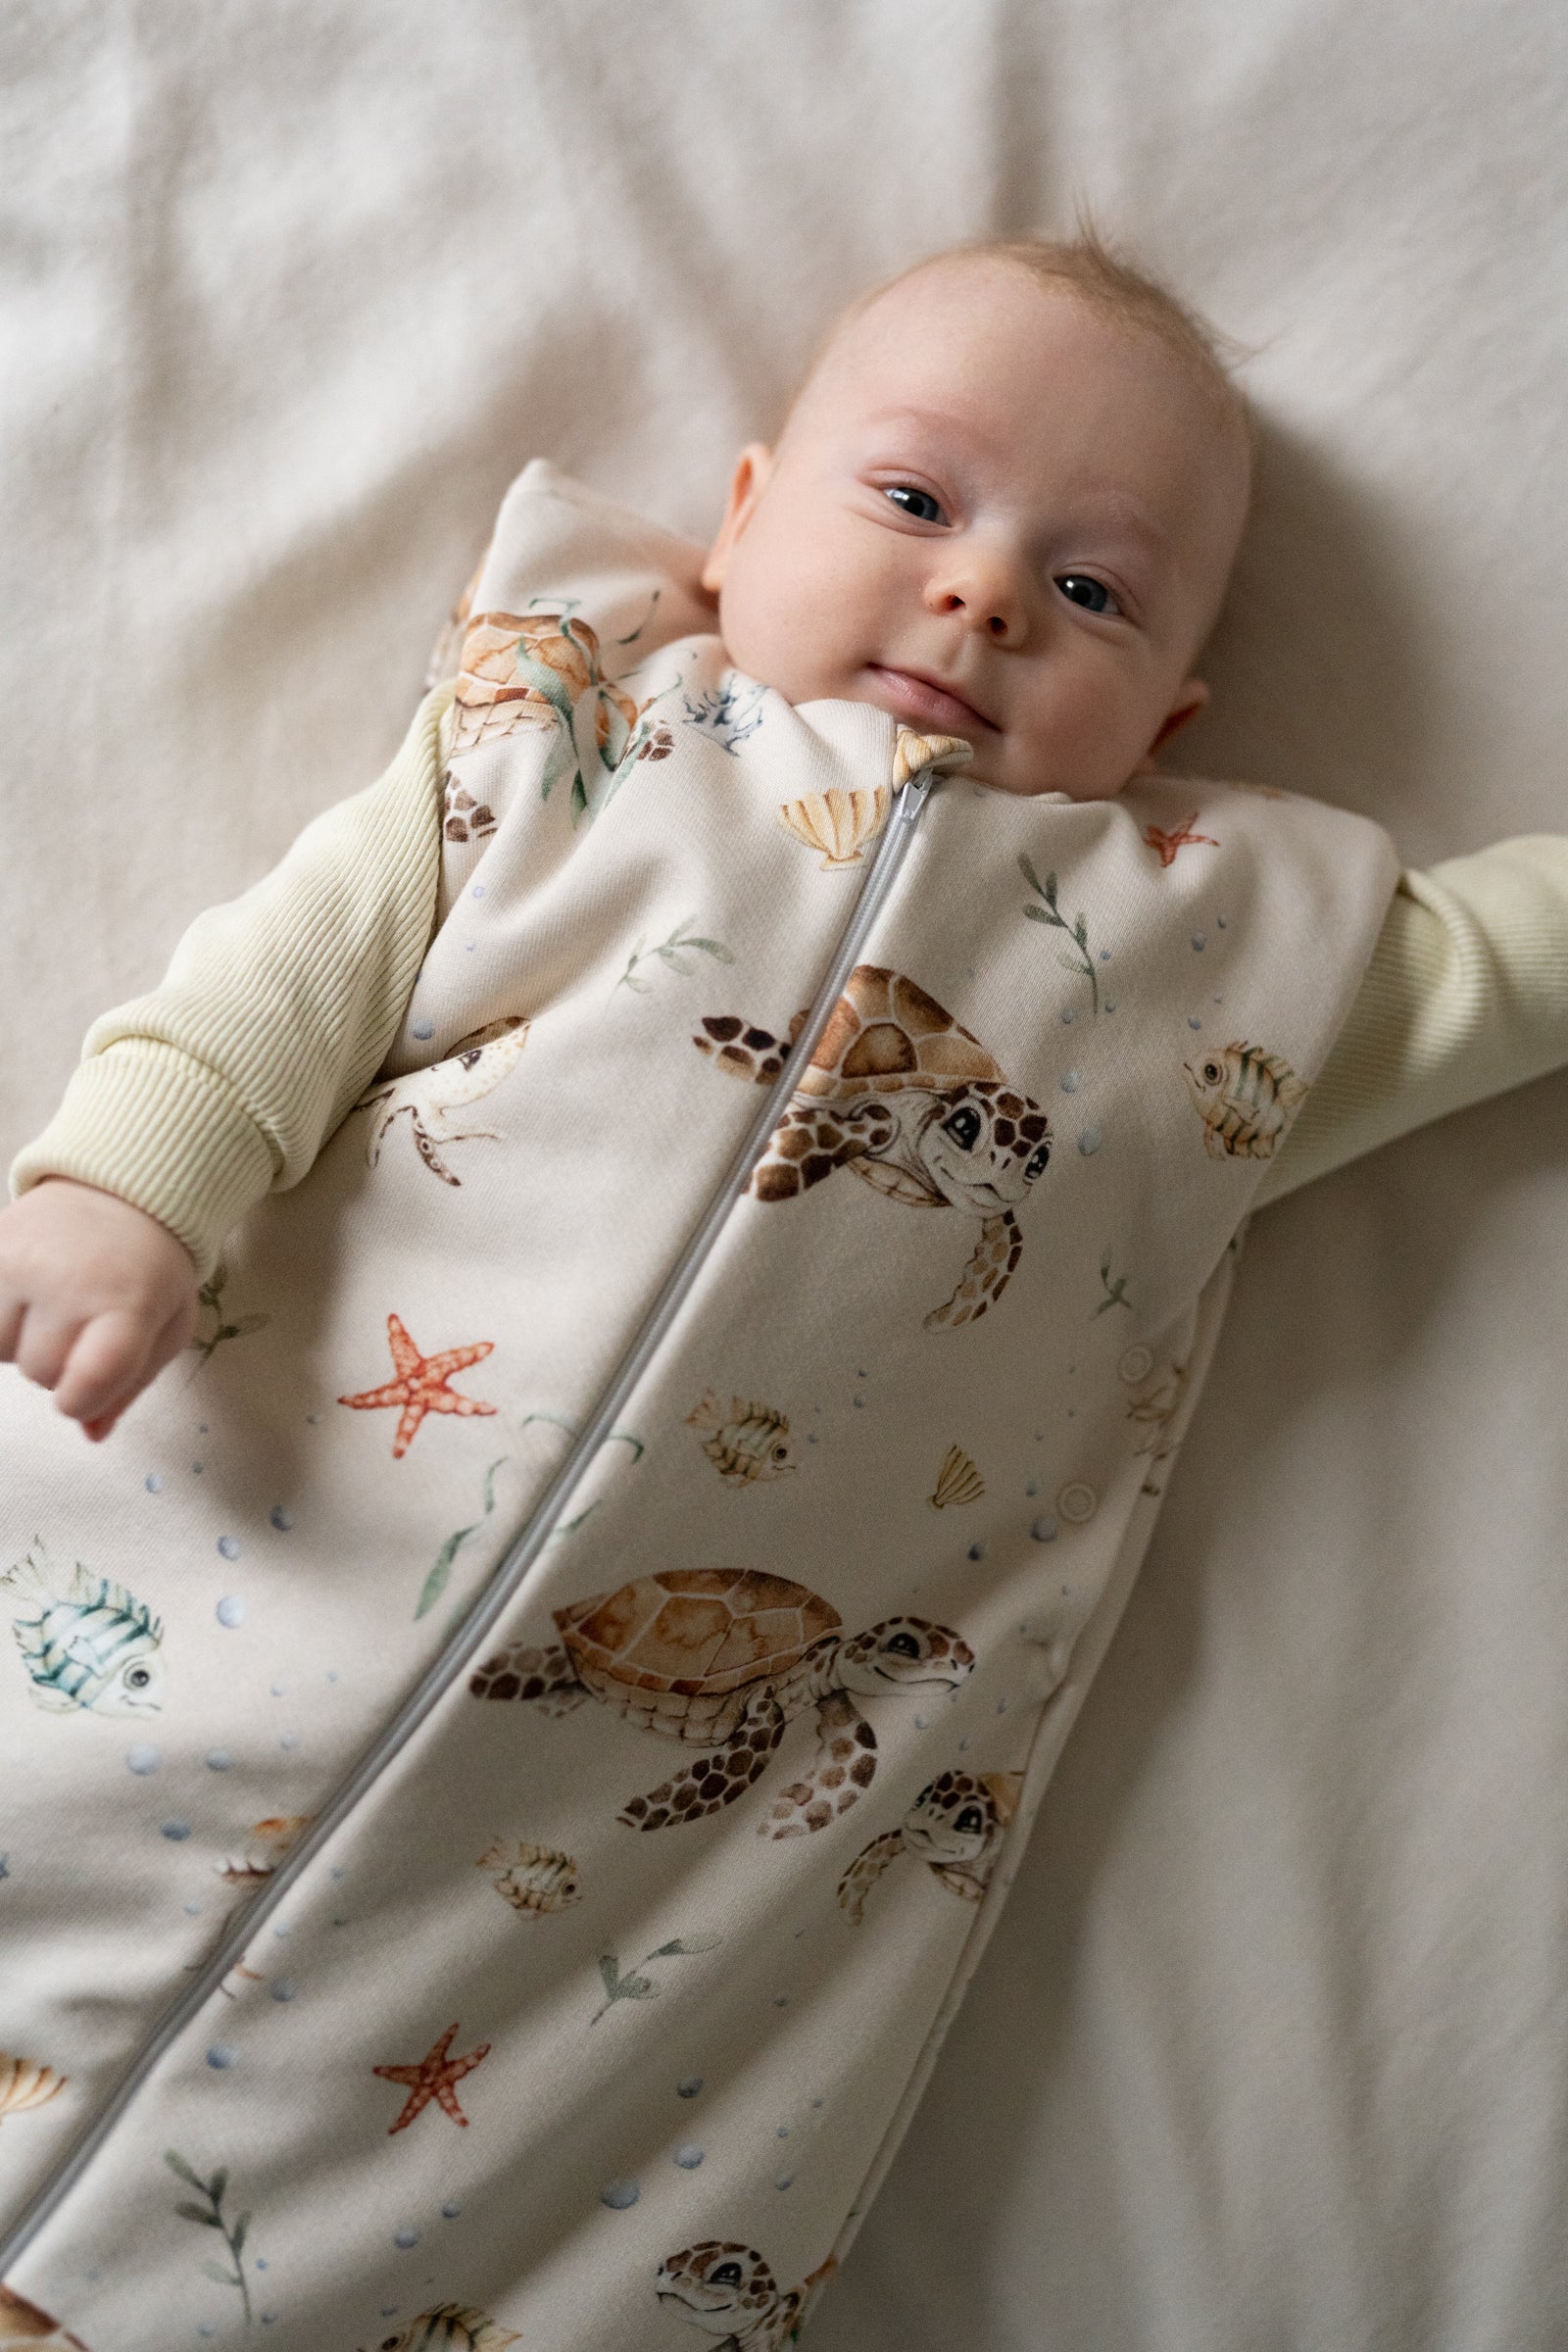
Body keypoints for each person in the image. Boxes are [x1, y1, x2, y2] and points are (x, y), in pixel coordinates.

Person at [2, 236, 1565, 2347]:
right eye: (913, 501)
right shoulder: (569, 739)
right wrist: (127, 1186)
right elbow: (295, 968)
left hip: (613, 1868)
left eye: (1092, 589)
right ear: (739, 522)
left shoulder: (1193, 975)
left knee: (446, 2223)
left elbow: (1488, 972)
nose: (985, 594)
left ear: (1172, 718)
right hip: (220, 1591)